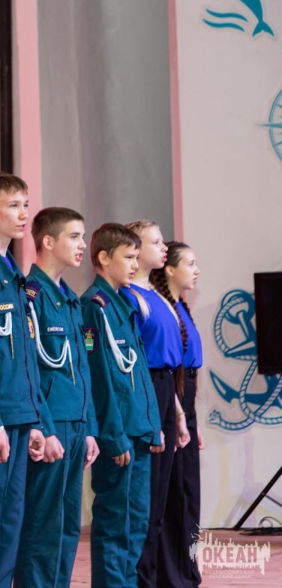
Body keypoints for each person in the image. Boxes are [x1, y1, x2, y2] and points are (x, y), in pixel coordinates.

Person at [0, 171, 54, 588]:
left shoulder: (11, 272)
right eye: (13, 205)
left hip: (21, 415)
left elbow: (25, 358)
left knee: (10, 526)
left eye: (26, 205)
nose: (24, 214)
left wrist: (37, 420)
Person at [15, 207, 99, 588]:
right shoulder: (30, 295)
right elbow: (29, 370)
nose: (82, 245)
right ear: (48, 241)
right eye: (74, 236)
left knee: (67, 528)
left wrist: (90, 428)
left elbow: (82, 370)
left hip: (76, 424)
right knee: (43, 526)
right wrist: (45, 427)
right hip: (53, 425)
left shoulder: (69, 299)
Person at [81, 223, 162, 588]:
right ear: (103, 258)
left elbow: (138, 372)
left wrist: (153, 424)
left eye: (136, 257)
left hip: (138, 431)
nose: (134, 264)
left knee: (136, 525)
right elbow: (99, 377)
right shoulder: (94, 307)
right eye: (128, 257)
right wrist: (113, 436)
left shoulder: (122, 305)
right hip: (120, 435)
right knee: (115, 525)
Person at [123, 220, 191, 588]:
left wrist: (177, 412)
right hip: (146, 389)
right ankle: (141, 579)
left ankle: (155, 576)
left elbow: (170, 362)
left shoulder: (157, 295)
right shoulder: (129, 297)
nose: (163, 248)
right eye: (156, 242)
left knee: (161, 499)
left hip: (165, 389)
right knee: (145, 502)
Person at [155, 241, 204, 587]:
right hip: (173, 402)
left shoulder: (180, 306)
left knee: (189, 494)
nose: (196, 270)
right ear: (170, 269)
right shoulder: (163, 308)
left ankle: (187, 570)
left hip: (186, 404)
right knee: (175, 496)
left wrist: (191, 417)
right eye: (190, 263)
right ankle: (174, 575)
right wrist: (180, 414)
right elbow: (171, 370)